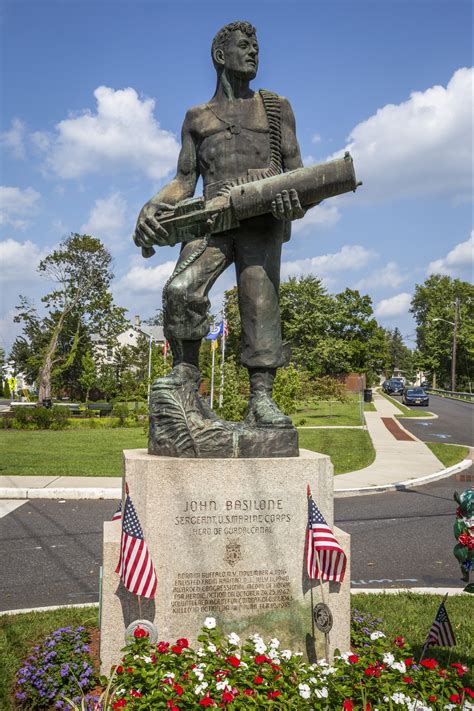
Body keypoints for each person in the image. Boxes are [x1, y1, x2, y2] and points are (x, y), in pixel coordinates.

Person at [133, 20, 307, 428]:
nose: (253, 52)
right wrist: (151, 206)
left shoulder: (276, 107)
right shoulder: (198, 117)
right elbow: (182, 181)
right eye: (244, 46)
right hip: (211, 220)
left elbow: (299, 176)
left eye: (256, 47)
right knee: (180, 289)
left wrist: (292, 205)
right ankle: (186, 378)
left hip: (261, 221)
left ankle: (261, 398)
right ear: (219, 55)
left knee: (259, 303)